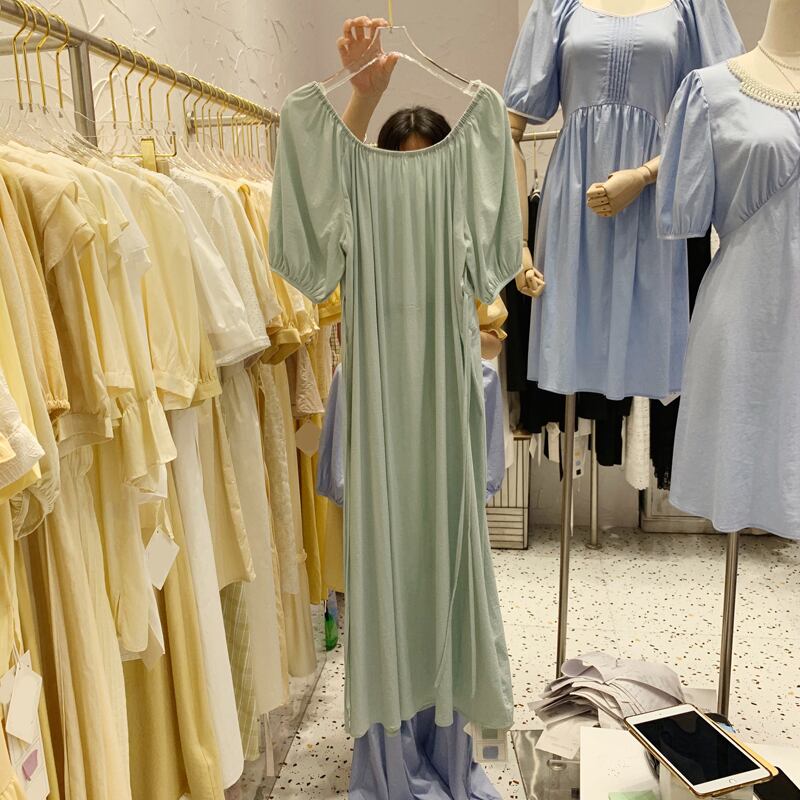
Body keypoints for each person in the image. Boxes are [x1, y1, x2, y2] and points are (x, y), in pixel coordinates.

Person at [338, 16, 507, 360]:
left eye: (426, 163)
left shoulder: (462, 230)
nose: (415, 176)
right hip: (382, 382)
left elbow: (494, 343)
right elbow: (338, 176)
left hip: (448, 383)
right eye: (403, 163)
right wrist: (364, 96)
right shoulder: (369, 228)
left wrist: (454, 329)